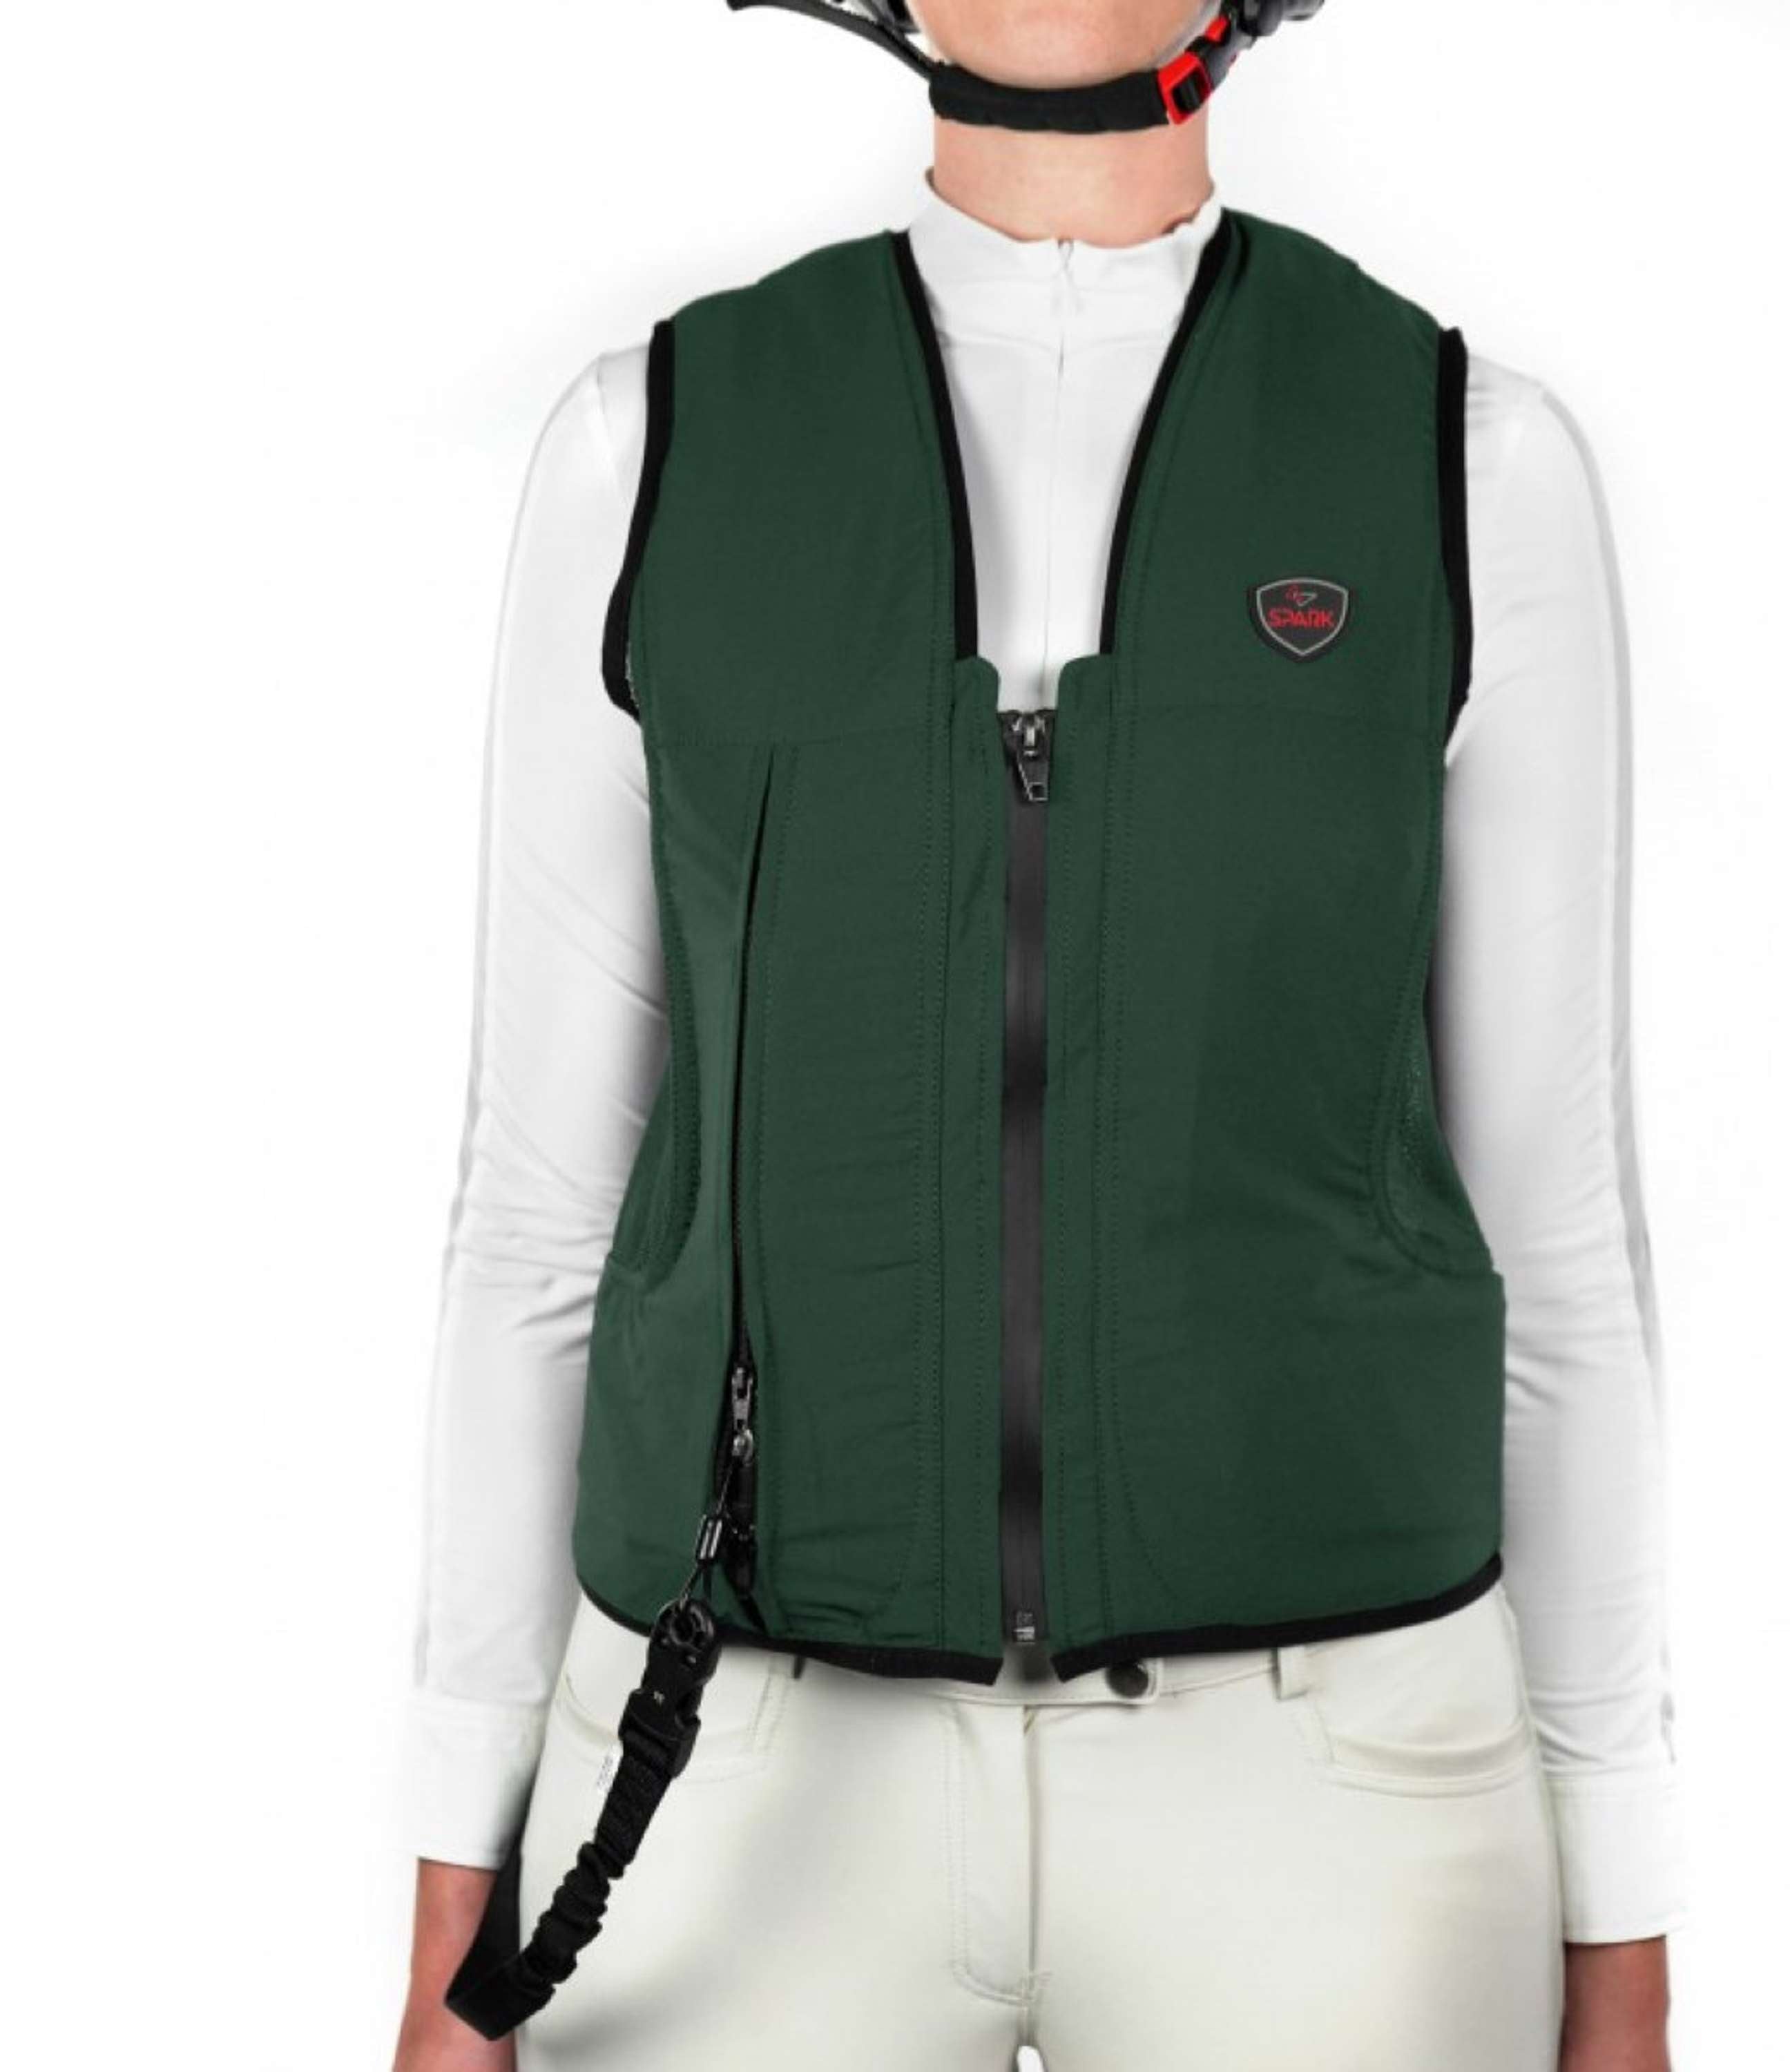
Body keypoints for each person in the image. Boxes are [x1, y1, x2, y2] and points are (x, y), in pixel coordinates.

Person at [393, 5, 1684, 2068]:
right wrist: (456, 1910)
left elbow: (1561, 1251)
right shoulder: (659, 441)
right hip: (728, 1772)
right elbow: (540, 1225)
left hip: (1334, 1789)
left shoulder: (1456, 452)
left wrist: (1622, 1929)